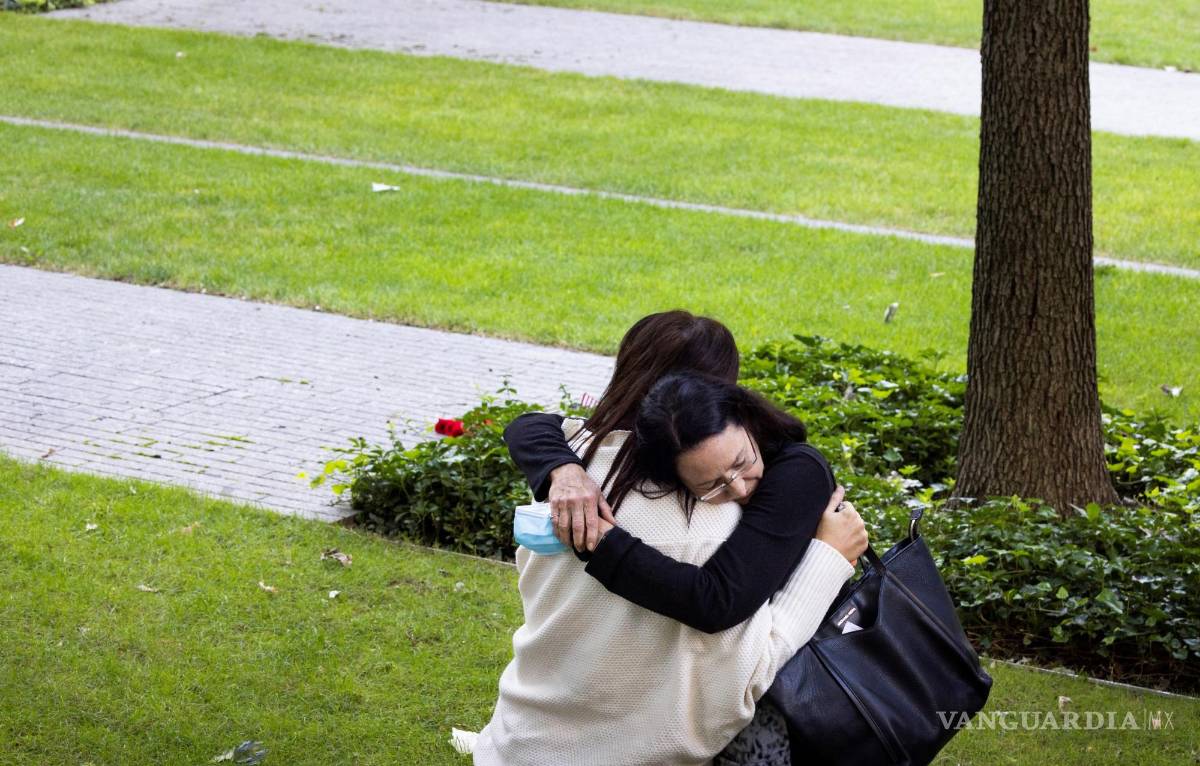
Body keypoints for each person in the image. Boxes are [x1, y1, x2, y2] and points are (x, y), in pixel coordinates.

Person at [467, 310, 868, 765]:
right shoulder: (712, 523)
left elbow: (531, 424)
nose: (736, 487)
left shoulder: (573, 461)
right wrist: (828, 558)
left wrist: (563, 470)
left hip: (514, 744)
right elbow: (742, 645)